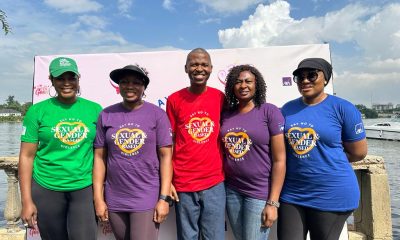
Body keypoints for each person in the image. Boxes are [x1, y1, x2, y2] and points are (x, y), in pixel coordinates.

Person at [277, 58, 368, 240]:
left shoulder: (343, 108)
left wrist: (325, 160)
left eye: (311, 75)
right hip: (293, 193)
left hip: (331, 193)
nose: (305, 81)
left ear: (325, 79)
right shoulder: (288, 109)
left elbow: (358, 152)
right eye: (300, 77)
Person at [19, 56, 102, 240]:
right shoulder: (37, 111)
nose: (66, 83)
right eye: (60, 78)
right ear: (51, 80)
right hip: (46, 187)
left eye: (71, 78)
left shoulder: (95, 110)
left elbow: (101, 155)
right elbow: (26, 156)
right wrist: (26, 200)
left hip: (83, 187)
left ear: (78, 78)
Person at [93, 64, 173, 240]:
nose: (130, 86)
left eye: (136, 82)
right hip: (115, 197)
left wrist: (164, 198)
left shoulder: (157, 115)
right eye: (124, 82)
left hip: (145, 196)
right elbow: (99, 158)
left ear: (144, 87)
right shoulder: (106, 114)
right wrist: (99, 198)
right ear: (118, 86)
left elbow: (166, 157)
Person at [166, 48, 226, 240]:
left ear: (210, 68)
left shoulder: (220, 97)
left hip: (214, 181)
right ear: (186, 68)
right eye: (194, 64)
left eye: (204, 64)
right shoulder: (174, 100)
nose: (199, 68)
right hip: (183, 182)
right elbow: (170, 143)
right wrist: (168, 181)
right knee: (187, 237)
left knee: (214, 236)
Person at [221, 65, 286, 240]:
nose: (243, 86)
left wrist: (273, 202)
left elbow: (280, 160)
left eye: (248, 81)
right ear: (231, 87)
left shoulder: (269, 111)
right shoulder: (226, 114)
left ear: (257, 85)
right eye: (238, 82)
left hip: (259, 192)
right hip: (231, 190)